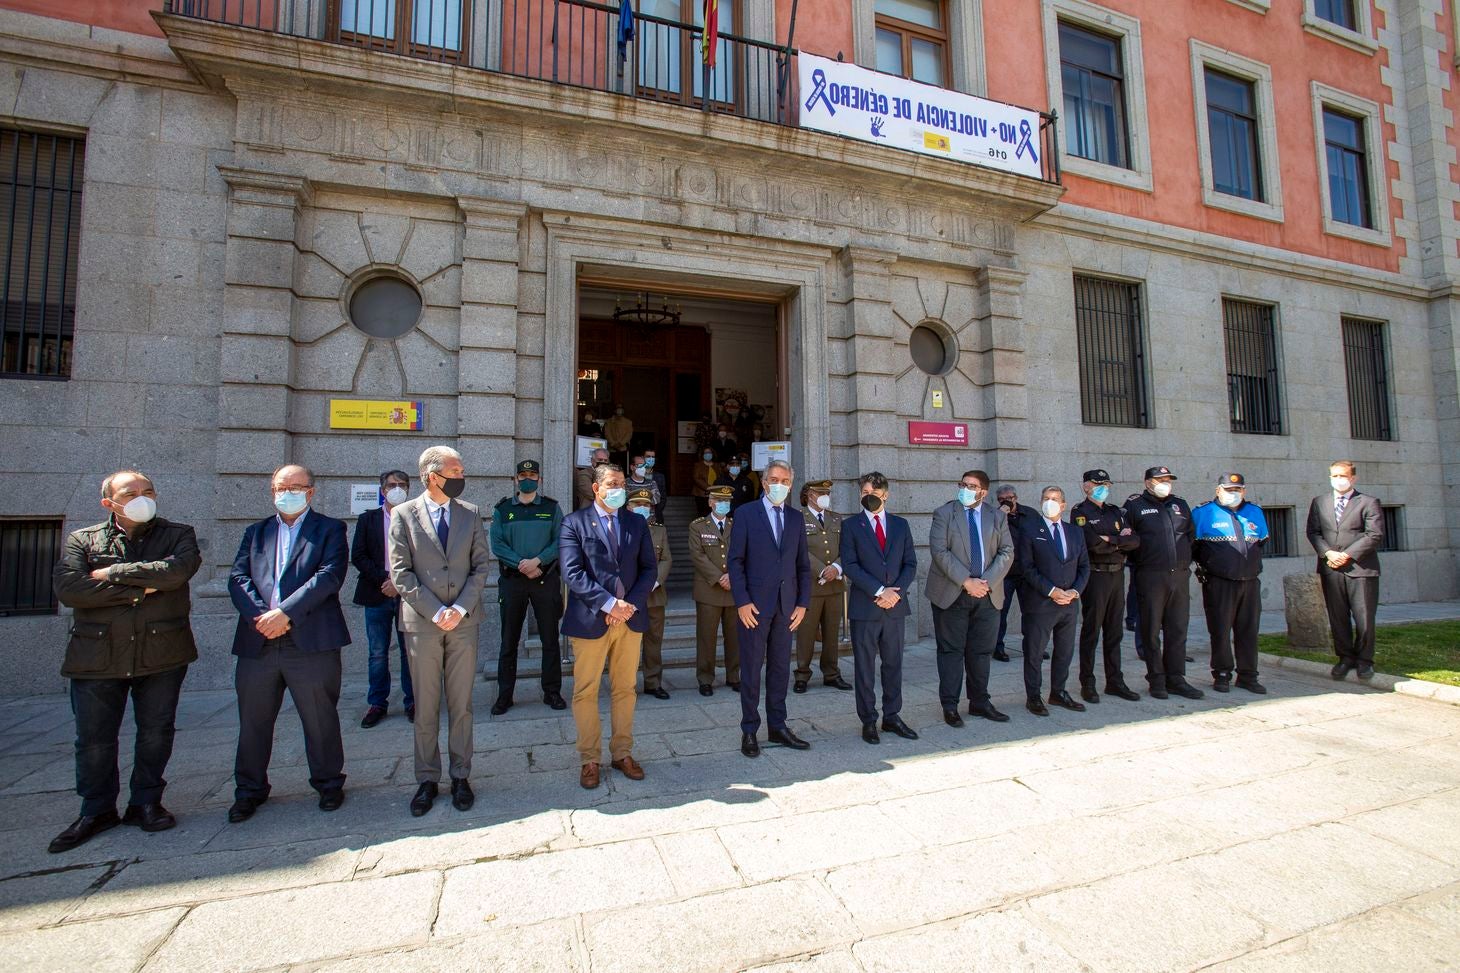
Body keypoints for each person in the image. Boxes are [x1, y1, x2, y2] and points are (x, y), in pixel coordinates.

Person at [48, 471, 201, 853]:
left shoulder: (177, 534)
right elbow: (70, 589)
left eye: (148, 491)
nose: (141, 498)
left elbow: (178, 572)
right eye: (130, 493)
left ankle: (145, 802)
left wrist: (113, 574)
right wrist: (144, 587)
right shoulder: (83, 539)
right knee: (94, 740)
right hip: (97, 656)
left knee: (156, 731)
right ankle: (96, 809)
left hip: (161, 652)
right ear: (109, 502)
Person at [227, 464, 350, 823]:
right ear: (272, 490)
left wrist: (285, 613)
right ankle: (249, 789)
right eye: (282, 486)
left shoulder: (329, 529)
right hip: (259, 640)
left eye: (296, 486)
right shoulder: (256, 532)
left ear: (310, 492)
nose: (288, 492)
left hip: (310, 640)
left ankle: (328, 783)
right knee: (252, 721)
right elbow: (238, 577)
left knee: (320, 717)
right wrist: (261, 617)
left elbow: (329, 576)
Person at [390, 446, 492, 817]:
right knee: (426, 706)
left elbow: (481, 565)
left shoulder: (470, 514)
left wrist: (460, 608)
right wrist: (437, 612)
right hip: (424, 624)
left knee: (462, 705)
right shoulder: (403, 515)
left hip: (464, 624)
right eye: (455, 470)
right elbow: (401, 574)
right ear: (433, 475)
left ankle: (461, 775)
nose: (461, 476)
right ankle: (427, 778)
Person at [559, 463, 657, 789]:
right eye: (611, 484)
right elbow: (573, 573)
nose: (618, 489)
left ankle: (622, 752)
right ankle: (590, 758)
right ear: (596, 489)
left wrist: (627, 606)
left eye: (621, 484)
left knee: (625, 689)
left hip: (629, 620)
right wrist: (609, 604)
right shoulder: (573, 523)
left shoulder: (636, 523)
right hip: (591, 620)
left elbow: (648, 570)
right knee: (585, 692)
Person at [728, 459, 812, 757]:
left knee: (779, 669)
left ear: (791, 486)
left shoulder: (795, 518)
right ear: (764, 483)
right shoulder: (745, 514)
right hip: (754, 607)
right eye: (774, 479)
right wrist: (742, 601)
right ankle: (749, 729)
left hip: (786, 608)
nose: (779, 485)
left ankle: (778, 725)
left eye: (785, 481)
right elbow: (735, 562)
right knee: (751, 670)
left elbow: (803, 566)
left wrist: (802, 603)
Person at [926, 470, 1014, 728]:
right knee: (951, 651)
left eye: (971, 486)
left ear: (983, 492)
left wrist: (984, 583)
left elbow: (1007, 551)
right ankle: (950, 705)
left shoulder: (997, 516)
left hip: (987, 594)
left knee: (981, 651)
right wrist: (967, 581)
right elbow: (939, 551)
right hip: (952, 593)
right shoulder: (944, 513)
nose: (965, 489)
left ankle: (979, 702)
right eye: (963, 484)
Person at [840, 471, 919, 744]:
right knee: (864, 668)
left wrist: (894, 593)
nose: (867, 497)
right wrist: (878, 590)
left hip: (894, 607)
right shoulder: (851, 526)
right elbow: (850, 565)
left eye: (871, 492)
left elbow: (910, 563)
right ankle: (868, 720)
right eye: (863, 493)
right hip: (866, 607)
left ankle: (892, 716)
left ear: (884, 494)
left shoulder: (900, 525)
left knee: (893, 665)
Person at [490, 460, 566, 716]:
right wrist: (521, 564)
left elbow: (560, 540)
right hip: (513, 581)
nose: (528, 479)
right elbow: (497, 544)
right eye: (523, 475)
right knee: (508, 641)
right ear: (515, 480)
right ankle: (505, 695)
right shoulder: (503, 509)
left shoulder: (551, 508)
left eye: (532, 475)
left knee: (550, 639)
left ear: (539, 480)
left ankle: (552, 691)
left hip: (545, 580)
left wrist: (538, 562)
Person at [1124, 466, 1203, 700]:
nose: (1165, 483)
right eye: (1160, 479)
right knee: (1150, 630)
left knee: (1177, 629)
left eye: (1168, 479)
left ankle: (1176, 678)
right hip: (1150, 575)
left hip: (1178, 575)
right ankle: (1156, 679)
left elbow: (1190, 536)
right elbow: (1129, 539)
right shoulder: (1135, 505)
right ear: (1148, 482)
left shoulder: (1180, 504)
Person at [1305, 460, 1384, 681]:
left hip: (1360, 568)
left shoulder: (1368, 502)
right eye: (1334, 476)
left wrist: (1347, 555)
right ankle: (1345, 658)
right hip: (1331, 568)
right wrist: (1328, 553)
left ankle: (1365, 661)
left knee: (1364, 618)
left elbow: (1374, 535)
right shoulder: (1319, 502)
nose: (1338, 480)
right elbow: (1313, 532)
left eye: (1343, 476)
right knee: (1338, 616)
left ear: (1353, 478)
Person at [1069, 470, 1141, 703]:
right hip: (1096, 577)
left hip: (1117, 576)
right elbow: (1091, 544)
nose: (1103, 487)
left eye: (1106, 484)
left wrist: (1111, 539)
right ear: (1086, 487)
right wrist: (1118, 540)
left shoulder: (1116, 511)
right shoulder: (1080, 512)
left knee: (1114, 632)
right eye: (1098, 484)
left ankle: (1115, 681)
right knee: (1092, 631)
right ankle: (1087, 683)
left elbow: (1134, 541)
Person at [1017, 487, 1090, 716]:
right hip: (1041, 603)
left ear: (1064, 505)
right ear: (1040, 502)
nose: (1050, 502)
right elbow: (1026, 567)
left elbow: (1084, 566)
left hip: (1069, 603)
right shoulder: (1029, 529)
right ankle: (1034, 696)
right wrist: (1051, 591)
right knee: (1034, 652)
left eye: (1055, 499)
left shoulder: (1075, 532)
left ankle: (1058, 692)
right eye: (1046, 499)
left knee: (1065, 651)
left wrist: (1075, 591)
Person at [1194, 473, 1269, 694]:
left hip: (1249, 581)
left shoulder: (1255, 512)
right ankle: (1222, 673)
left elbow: (1260, 543)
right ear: (1218, 490)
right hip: (1219, 582)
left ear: (1244, 491)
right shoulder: (1203, 512)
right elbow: (1194, 547)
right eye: (1228, 490)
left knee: (1248, 630)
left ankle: (1248, 675)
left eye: (1237, 490)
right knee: (1220, 630)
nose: (1233, 494)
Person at [351, 469, 415, 728]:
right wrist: (384, 580)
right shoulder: (368, 520)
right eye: (391, 485)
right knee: (377, 653)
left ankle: (412, 701)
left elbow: (423, 557)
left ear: (409, 488)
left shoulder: (416, 519)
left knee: (409, 652)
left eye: (401, 484)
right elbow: (359, 555)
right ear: (382, 490)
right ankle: (377, 702)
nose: (396, 488)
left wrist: (399, 584)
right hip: (376, 592)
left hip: (407, 595)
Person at [794, 480, 853, 694]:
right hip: (810, 586)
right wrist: (822, 570)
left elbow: (847, 547)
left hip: (834, 587)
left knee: (831, 634)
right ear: (809, 494)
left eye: (827, 492)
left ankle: (831, 673)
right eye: (820, 492)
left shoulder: (836, 518)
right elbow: (798, 550)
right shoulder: (797, 518)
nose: (825, 495)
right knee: (806, 634)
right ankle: (802, 674)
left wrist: (837, 567)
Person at [689, 485, 741, 696]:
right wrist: (719, 577)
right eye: (719, 500)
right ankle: (705, 678)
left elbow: (743, 552)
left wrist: (732, 576)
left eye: (727, 501)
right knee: (706, 637)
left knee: (735, 637)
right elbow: (697, 555)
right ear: (710, 502)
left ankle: (734, 676)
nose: (724, 504)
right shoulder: (698, 526)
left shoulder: (736, 524)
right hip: (709, 590)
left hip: (733, 589)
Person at [629, 488, 672, 699]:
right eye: (638, 504)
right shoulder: (621, 528)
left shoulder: (659, 531)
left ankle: (653, 682)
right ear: (628, 507)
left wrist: (655, 581)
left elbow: (666, 559)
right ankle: (626, 684)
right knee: (628, 642)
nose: (643, 508)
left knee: (654, 641)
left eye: (646, 505)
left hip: (654, 595)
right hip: (628, 597)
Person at [994, 485, 1038, 662]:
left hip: (1027, 572)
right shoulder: (994, 516)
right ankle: (997, 648)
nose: (1007, 501)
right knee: (1000, 613)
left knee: (1031, 613)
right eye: (1002, 499)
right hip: (1005, 574)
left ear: (1016, 497)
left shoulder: (1030, 514)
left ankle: (1033, 647)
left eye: (1009, 498)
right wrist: (1000, 517)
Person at [643, 447, 668, 523]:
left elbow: (663, 497)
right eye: (648, 456)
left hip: (656, 516)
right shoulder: (635, 475)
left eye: (653, 457)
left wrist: (656, 511)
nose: (651, 459)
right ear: (643, 458)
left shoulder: (660, 477)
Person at [692, 448, 718, 516]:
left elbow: (720, 478)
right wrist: (708, 488)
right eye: (706, 453)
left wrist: (715, 488)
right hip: (702, 494)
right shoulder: (698, 465)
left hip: (715, 494)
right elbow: (696, 478)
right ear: (702, 455)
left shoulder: (717, 466)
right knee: (703, 514)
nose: (708, 454)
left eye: (709, 452)